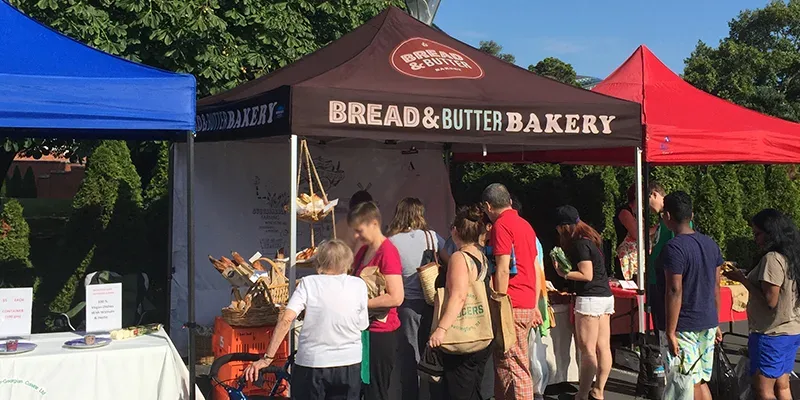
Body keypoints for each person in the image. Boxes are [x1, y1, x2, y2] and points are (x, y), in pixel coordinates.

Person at [243, 239, 368, 400]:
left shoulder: (308, 283)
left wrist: (267, 358)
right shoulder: (358, 285)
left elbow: (286, 319)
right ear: (347, 261)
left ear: (319, 262)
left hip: (313, 363)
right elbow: (362, 324)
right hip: (349, 363)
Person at [724, 209, 800, 400]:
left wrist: (743, 280)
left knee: (763, 390)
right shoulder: (791, 256)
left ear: (770, 232)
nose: (755, 239)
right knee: (782, 386)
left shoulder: (772, 258)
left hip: (771, 333)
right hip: (791, 330)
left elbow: (770, 301)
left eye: (757, 234)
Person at [657, 191, 722, 400]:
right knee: (699, 380)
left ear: (667, 216)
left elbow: (674, 290)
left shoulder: (673, 248)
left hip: (684, 324)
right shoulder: (710, 244)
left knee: (687, 382)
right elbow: (716, 286)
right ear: (691, 214)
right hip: (707, 321)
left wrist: (670, 331)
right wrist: (716, 321)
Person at [481, 183, 541, 400]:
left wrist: (499, 302)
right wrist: (535, 303)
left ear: (488, 206)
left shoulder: (501, 226)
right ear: (509, 201)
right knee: (506, 364)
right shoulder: (525, 225)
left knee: (515, 365)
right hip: (526, 300)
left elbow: (503, 268)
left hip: (512, 303)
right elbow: (535, 267)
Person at [427, 205, 494, 400]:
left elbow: (458, 296)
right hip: (481, 332)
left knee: (458, 390)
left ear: (455, 231)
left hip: (461, 336)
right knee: (474, 389)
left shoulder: (459, 258)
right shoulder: (481, 256)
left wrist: (441, 329)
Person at [386, 197, 448, 400]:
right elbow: (450, 261)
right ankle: (435, 395)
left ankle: (411, 395)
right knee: (433, 353)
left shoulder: (391, 242)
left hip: (406, 305)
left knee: (409, 358)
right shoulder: (432, 237)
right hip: (433, 302)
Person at [552, 205, 613, 400]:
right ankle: (598, 391)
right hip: (605, 297)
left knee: (587, 350)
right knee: (603, 347)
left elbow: (586, 274)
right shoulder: (591, 240)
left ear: (564, 226)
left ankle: (582, 394)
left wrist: (563, 273)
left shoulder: (579, 244)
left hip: (589, 299)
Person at [349, 201, 404, 400]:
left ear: (374, 224)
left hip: (381, 333)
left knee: (376, 391)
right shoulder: (363, 252)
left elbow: (396, 297)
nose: (356, 236)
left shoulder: (387, 252)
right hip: (364, 331)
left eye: (359, 230)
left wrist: (360, 304)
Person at [615, 185, 640, 280]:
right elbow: (636, 234)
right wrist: (655, 229)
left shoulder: (638, 212)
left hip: (637, 258)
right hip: (626, 258)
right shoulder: (625, 212)